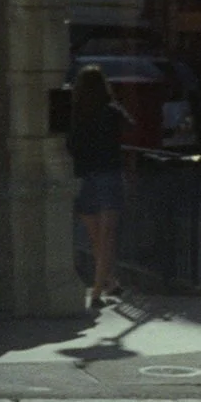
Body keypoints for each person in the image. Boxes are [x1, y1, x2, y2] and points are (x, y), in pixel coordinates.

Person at [67, 64, 132, 309]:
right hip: (108, 174)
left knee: (95, 237)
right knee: (107, 236)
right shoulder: (111, 111)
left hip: (84, 175)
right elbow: (130, 126)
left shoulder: (74, 112)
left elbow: (70, 144)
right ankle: (96, 292)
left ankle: (110, 282)